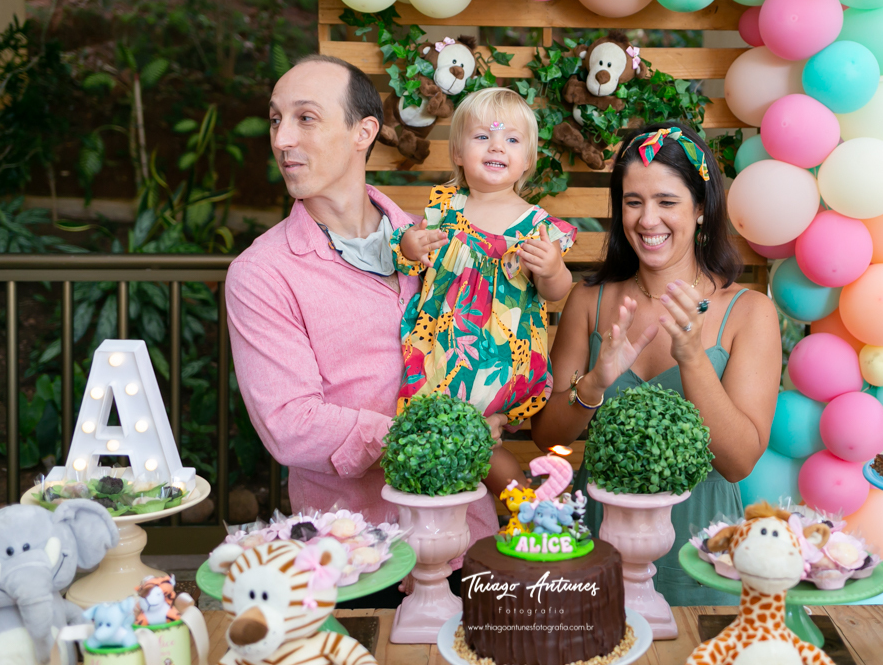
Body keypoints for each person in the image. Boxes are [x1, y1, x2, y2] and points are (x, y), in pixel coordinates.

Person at [224, 55, 502, 589]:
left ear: (364, 132)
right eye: (276, 119)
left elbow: (485, 350)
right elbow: (289, 424)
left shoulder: (439, 242)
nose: (282, 139)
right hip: (355, 558)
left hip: (468, 537)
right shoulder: (261, 273)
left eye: (306, 118)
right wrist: (437, 438)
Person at [530, 123, 781, 605]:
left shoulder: (749, 312)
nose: (648, 220)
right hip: (599, 541)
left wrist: (693, 358)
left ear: (701, 208)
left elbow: (738, 462)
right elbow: (547, 438)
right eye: (633, 202)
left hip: (704, 549)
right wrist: (596, 382)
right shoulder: (587, 301)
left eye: (667, 201)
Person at [393, 87, 577, 497]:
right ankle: (463, 513)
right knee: (445, 441)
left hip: (502, 360)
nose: (496, 146)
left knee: (485, 443)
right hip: (442, 353)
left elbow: (556, 290)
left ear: (526, 160)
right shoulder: (445, 210)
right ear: (458, 152)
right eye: (482, 137)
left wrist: (551, 268)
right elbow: (409, 257)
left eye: (511, 139)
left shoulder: (537, 227)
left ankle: (525, 507)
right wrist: (411, 245)